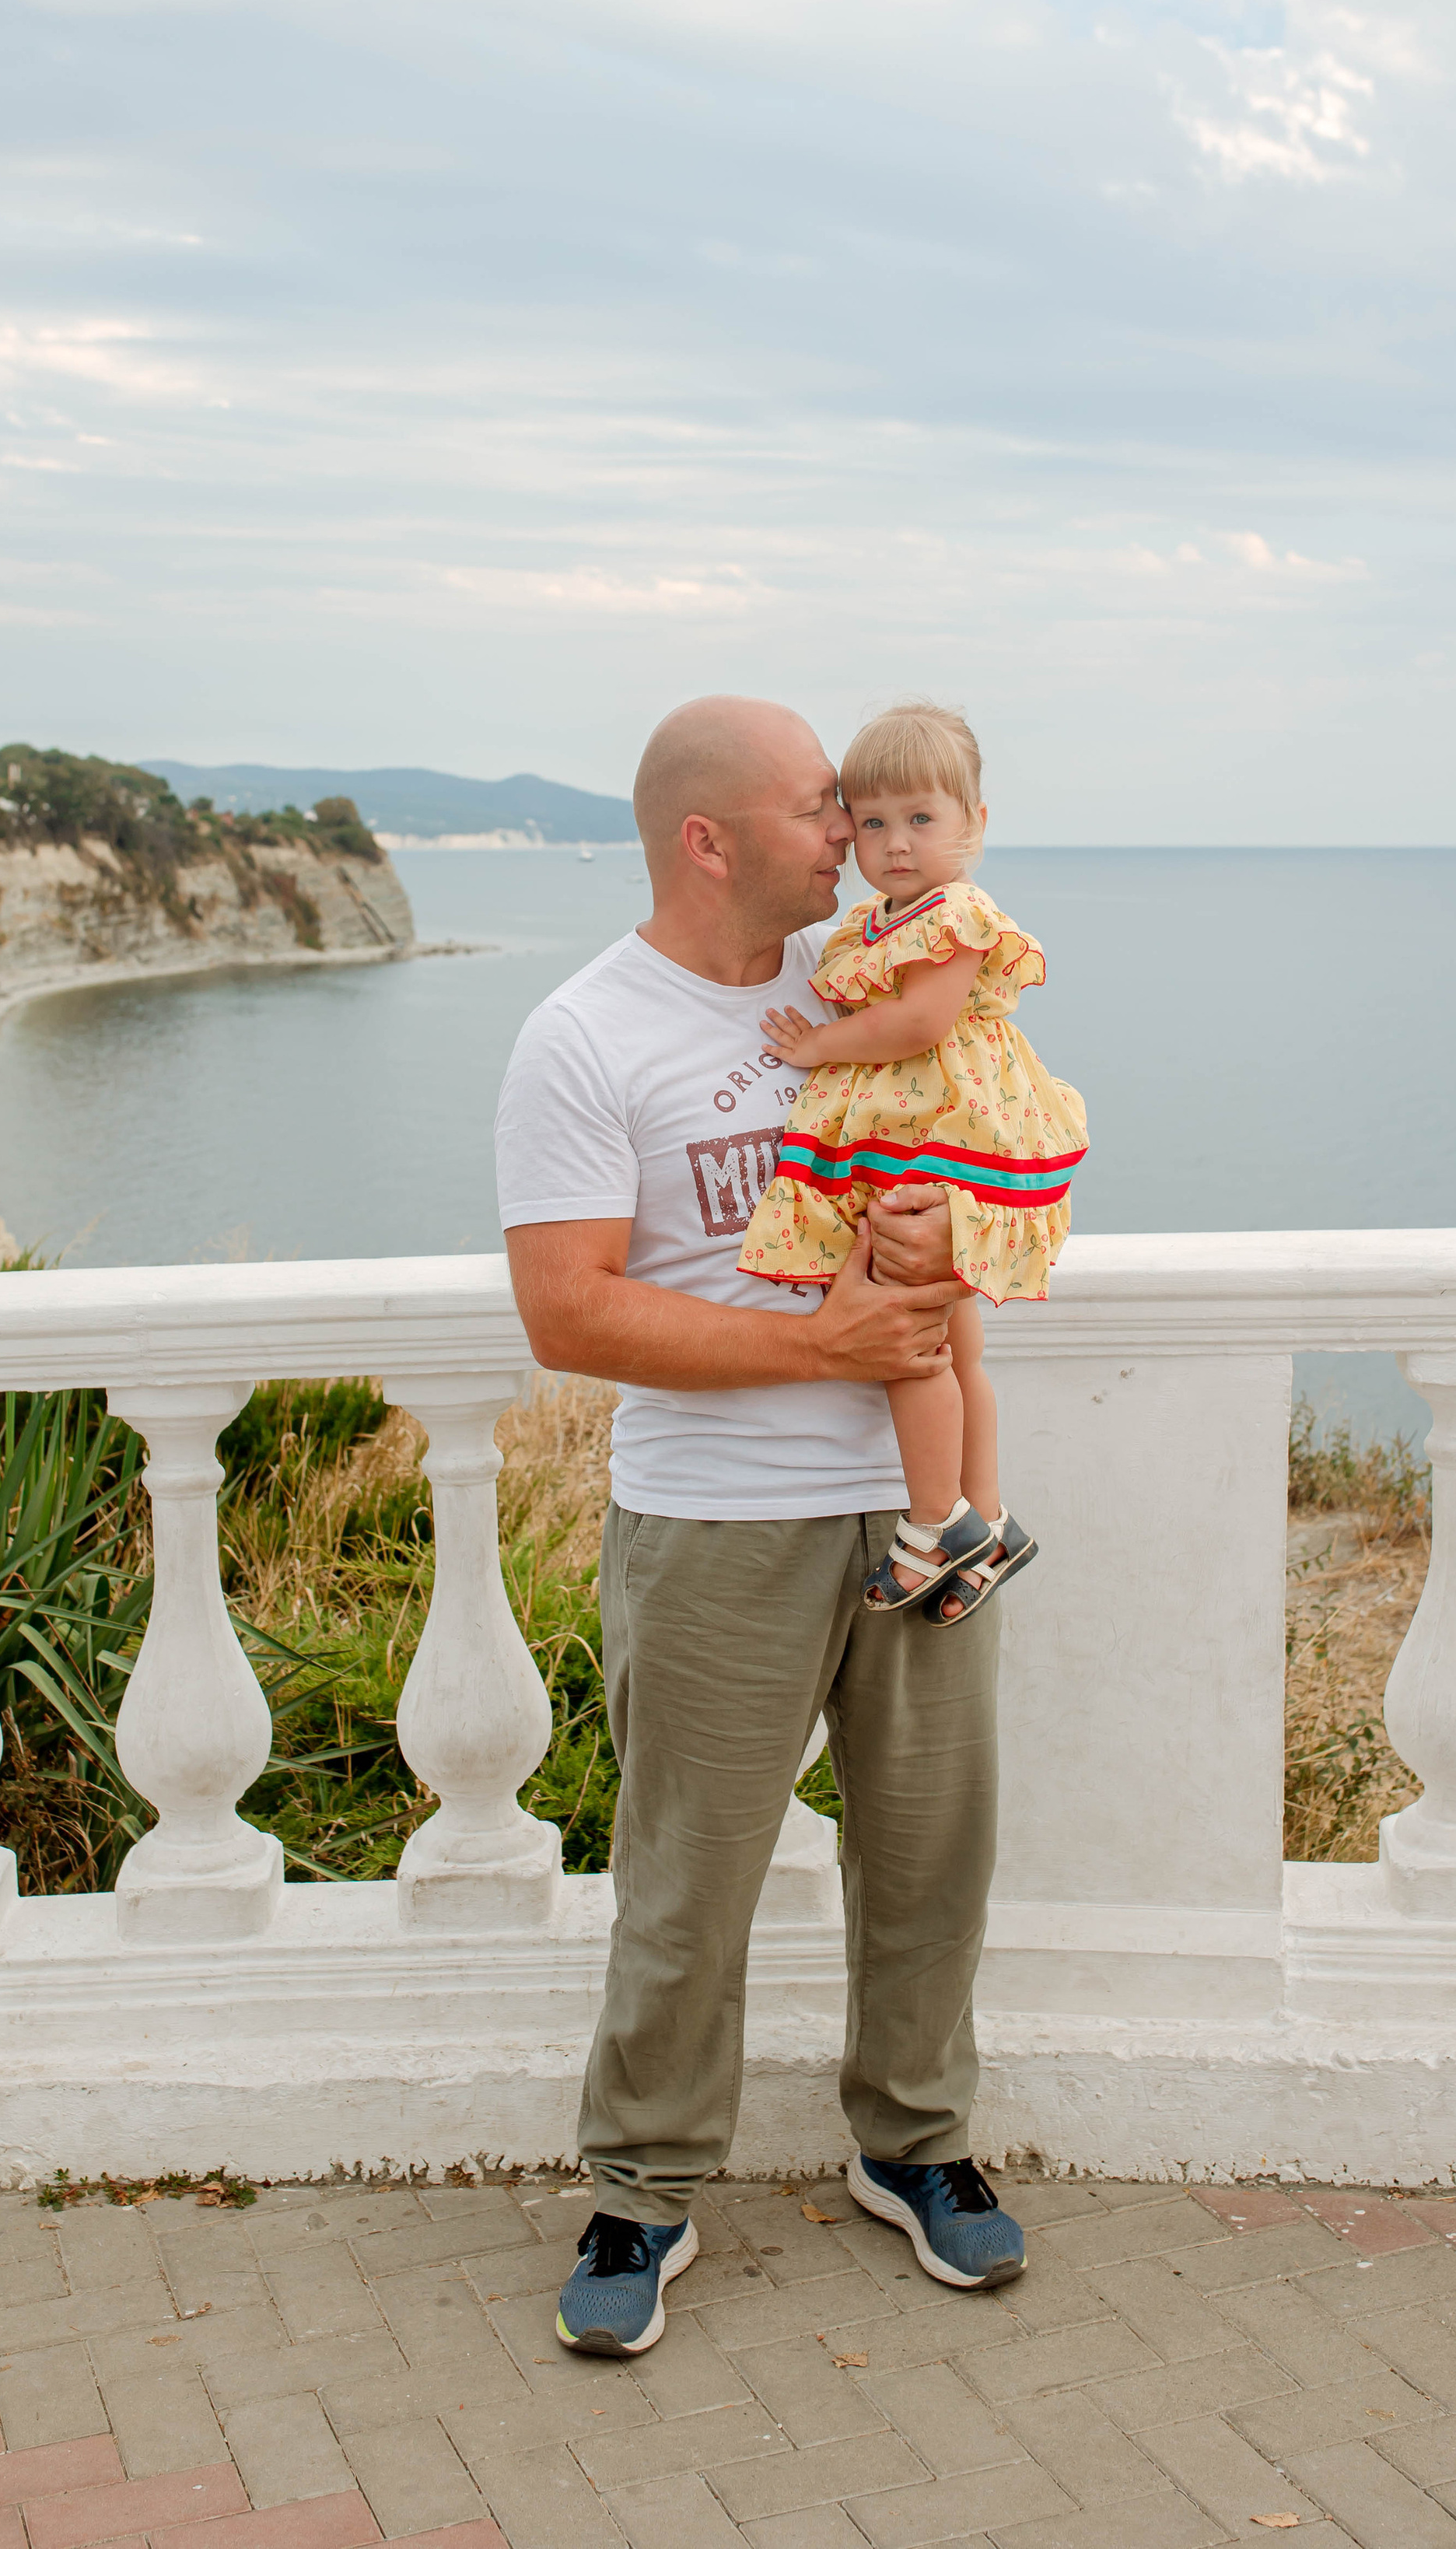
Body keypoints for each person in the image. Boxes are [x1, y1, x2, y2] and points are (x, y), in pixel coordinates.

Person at [495, 694, 1029, 2358]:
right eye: (820, 808)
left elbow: (947, 1188)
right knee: (688, 1884)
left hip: (906, 1503)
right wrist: (815, 1344)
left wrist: (969, 1479)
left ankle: (915, 2145)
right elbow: (566, 1316)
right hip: (714, 1525)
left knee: (929, 1857)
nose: (853, 829)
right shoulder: (581, 1038)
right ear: (705, 840)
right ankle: (641, 2190)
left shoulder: (854, 987)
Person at [740, 700, 1087, 1623]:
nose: (895, 844)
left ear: (976, 824)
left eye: (923, 820)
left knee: (908, 1340)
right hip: (933, 1136)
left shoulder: (956, 915)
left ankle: (936, 1523)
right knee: (955, 1345)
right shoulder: (884, 918)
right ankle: (991, 1519)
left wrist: (821, 1047)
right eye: (875, 822)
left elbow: (920, 1023)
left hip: (942, 1143)